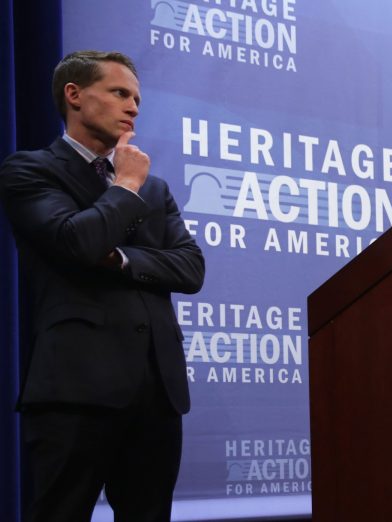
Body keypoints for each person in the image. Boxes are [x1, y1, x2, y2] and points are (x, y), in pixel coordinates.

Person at [0, 50, 205, 522]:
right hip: (75, 390)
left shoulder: (156, 188)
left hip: (156, 392)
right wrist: (125, 185)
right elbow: (77, 241)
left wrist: (119, 257)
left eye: (137, 99)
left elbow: (191, 268)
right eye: (119, 93)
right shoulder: (30, 170)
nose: (133, 107)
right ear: (74, 95)